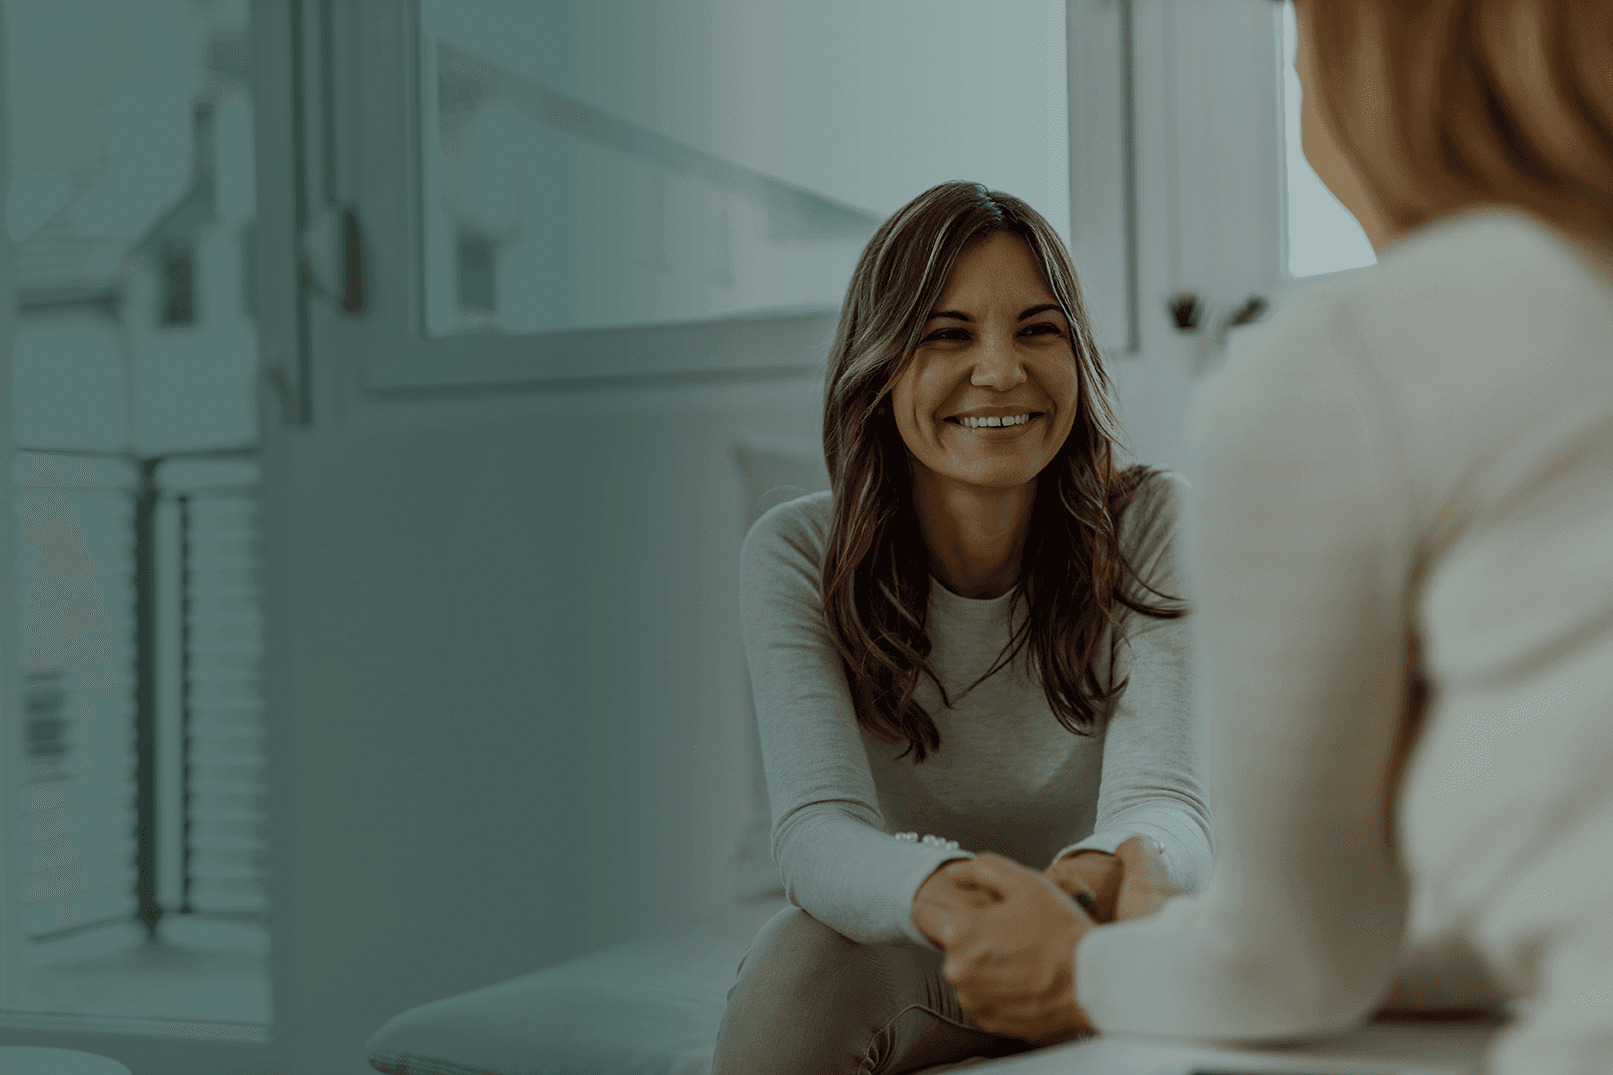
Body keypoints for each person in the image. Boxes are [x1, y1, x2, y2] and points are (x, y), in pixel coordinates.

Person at [917, 2, 1613, 1072]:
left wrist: (1078, 968)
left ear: (1367, 81)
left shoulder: (1344, 368)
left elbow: (1297, 961)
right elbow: (1543, 894)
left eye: (1298, 69)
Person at [710, 180, 1214, 1074]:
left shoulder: (1148, 521)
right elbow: (818, 830)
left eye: (1036, 328)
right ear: (881, 362)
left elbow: (1163, 805)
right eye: (947, 334)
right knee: (799, 961)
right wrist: (953, 897)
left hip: (1106, 938)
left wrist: (1073, 894)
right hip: (926, 938)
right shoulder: (793, 552)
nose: (999, 369)